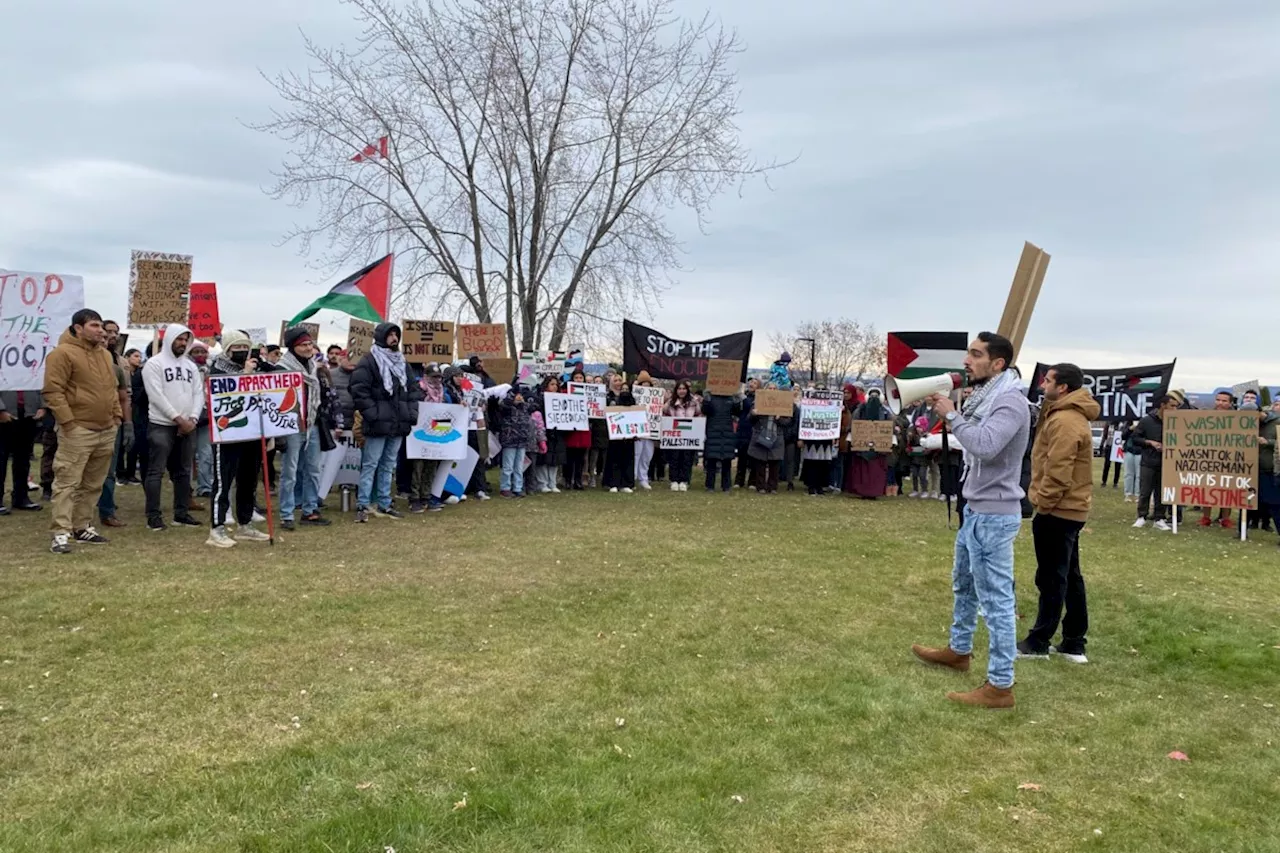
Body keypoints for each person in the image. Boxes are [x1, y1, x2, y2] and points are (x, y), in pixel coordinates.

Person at [911, 332, 1031, 709]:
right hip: (977, 509)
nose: (966, 361)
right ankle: (959, 650)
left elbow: (985, 445)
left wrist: (950, 414)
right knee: (963, 585)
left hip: (994, 515)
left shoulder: (1010, 401)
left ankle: (1000, 685)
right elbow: (974, 438)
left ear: (997, 364)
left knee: (996, 601)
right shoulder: (986, 398)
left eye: (976, 355)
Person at [1017, 364, 1100, 664]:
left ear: (1062, 387)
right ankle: (1074, 641)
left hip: (1059, 509)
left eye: (1048, 380)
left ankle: (1039, 640)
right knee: (1068, 574)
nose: (1042, 384)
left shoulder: (1065, 419)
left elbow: (1058, 469)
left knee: (1052, 577)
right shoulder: (1063, 414)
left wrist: (1043, 501)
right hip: (1068, 508)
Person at [41, 308, 123, 553]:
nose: (101, 331)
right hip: (77, 430)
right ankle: (60, 532)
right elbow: (53, 391)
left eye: (101, 327)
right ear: (78, 328)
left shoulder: (106, 356)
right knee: (67, 482)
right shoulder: (62, 354)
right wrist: (68, 423)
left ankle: (82, 526)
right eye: (95, 326)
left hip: (106, 428)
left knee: (93, 483)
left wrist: (116, 416)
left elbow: (112, 388)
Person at [204, 330, 273, 547]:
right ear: (227, 349)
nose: (242, 351)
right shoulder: (217, 369)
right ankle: (217, 528)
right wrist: (245, 373)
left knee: (248, 480)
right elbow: (228, 393)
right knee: (223, 482)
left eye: (245, 347)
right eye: (237, 348)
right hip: (227, 435)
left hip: (251, 434)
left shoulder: (255, 367)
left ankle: (245, 523)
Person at [350, 324, 420, 522]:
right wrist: (373, 414)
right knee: (371, 464)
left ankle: (384, 502)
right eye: (390, 334)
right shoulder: (369, 361)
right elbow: (358, 390)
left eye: (396, 334)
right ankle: (363, 504)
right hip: (378, 422)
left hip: (398, 422)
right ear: (381, 337)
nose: (394, 338)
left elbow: (413, 390)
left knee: (388, 465)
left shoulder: (402, 362)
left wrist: (411, 413)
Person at [141, 323, 205, 532]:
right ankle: (153, 516)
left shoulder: (190, 366)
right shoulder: (154, 364)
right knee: (156, 472)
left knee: (183, 472)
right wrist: (178, 418)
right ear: (169, 339)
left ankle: (181, 512)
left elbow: (198, 392)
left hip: (188, 426)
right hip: (162, 425)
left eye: (186, 339)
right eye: (179, 338)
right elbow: (156, 395)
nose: (182, 343)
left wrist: (193, 418)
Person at [274, 327, 331, 530]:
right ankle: (287, 514)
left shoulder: (314, 368)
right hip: (291, 425)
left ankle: (310, 510)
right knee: (290, 471)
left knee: (313, 470)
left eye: (310, 344)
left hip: (312, 423)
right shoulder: (282, 369)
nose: (309, 348)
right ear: (293, 347)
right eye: (304, 345)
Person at [93, 320, 134, 528]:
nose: (110, 337)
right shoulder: (80, 361)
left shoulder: (119, 366)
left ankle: (106, 511)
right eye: (106, 332)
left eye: (114, 333)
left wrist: (127, 424)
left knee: (108, 470)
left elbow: (124, 397)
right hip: (85, 423)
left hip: (112, 423)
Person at [1132, 394, 1178, 531]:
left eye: (1176, 406)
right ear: (1163, 405)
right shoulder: (1147, 421)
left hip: (1167, 462)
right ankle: (1141, 517)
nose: (1175, 409)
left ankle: (1159, 518)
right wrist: (1150, 442)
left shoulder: (1176, 421)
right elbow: (1135, 438)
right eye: (1172, 406)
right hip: (1149, 461)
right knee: (1145, 490)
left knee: (1162, 492)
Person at [0, 389, 46, 515]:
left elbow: (40, 383)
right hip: (3, 415)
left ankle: (21, 497)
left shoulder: (32, 368)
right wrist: (1, 410)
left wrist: (43, 406)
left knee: (23, 460)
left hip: (28, 415)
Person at [1199, 391, 1237, 529]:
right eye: (1218, 400)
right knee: (1207, 487)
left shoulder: (1237, 418)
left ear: (1230, 403)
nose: (1220, 403)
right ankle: (1206, 517)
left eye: (1224, 401)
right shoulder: (1206, 416)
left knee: (1227, 489)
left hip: (1229, 459)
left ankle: (1225, 518)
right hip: (1209, 457)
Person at [847, 388, 891, 499]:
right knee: (862, 471)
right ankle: (862, 491)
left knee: (875, 472)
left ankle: (874, 492)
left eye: (876, 396)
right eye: (872, 396)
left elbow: (889, 426)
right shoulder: (859, 410)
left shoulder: (885, 412)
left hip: (878, 448)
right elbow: (854, 424)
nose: (874, 399)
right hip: (862, 447)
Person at [747, 386, 790, 495]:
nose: (771, 390)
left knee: (774, 464)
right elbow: (749, 419)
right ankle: (760, 486)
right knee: (760, 462)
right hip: (761, 435)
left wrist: (779, 419)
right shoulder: (758, 402)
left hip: (777, 436)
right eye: (769, 388)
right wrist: (754, 414)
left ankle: (773, 487)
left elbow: (787, 422)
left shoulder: (782, 404)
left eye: (774, 388)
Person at [663, 380, 701, 491]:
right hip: (674, 435)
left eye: (684, 388)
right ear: (676, 390)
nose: (682, 391)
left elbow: (699, 415)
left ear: (687, 390)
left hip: (689, 436)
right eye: (679, 388)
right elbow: (663, 414)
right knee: (674, 458)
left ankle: (684, 480)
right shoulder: (670, 402)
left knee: (687, 458)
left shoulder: (694, 402)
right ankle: (674, 480)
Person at [700, 389, 739, 492]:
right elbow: (705, 411)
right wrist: (706, 400)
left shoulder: (730, 398)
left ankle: (726, 485)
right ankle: (710, 486)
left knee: (727, 461)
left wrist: (736, 400)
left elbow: (737, 412)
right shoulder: (711, 397)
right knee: (711, 460)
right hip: (713, 430)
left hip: (727, 431)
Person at [604, 374, 636, 493]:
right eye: (615, 381)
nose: (624, 391)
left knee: (627, 458)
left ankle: (626, 483)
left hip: (628, 436)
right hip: (615, 435)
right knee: (614, 458)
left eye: (626, 389)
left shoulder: (632, 400)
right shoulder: (609, 398)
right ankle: (613, 482)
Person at [498, 386, 532, 497]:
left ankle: (518, 487)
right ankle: (505, 487)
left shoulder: (525, 407)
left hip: (522, 439)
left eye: (520, 395)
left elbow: (536, 405)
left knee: (519, 466)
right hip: (510, 439)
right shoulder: (507, 407)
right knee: (508, 466)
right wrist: (512, 398)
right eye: (517, 394)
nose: (519, 397)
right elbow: (504, 404)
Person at [564, 368, 592, 490]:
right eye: (576, 378)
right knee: (569, 458)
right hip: (571, 430)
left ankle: (578, 480)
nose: (579, 380)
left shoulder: (589, 394)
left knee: (581, 458)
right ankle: (568, 480)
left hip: (583, 430)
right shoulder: (566, 392)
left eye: (581, 378)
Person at [1258, 399, 1280, 546]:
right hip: (1252, 469)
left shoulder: (1276, 423)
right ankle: (1242, 531)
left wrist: (1268, 442)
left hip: (1271, 469)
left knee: (1275, 504)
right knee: (1246, 501)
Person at [632, 371, 658, 490]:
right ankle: (633, 477)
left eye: (648, 385)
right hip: (638, 429)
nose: (646, 387)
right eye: (643, 384)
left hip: (651, 429)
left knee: (647, 455)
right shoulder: (635, 395)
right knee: (636, 454)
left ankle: (643, 478)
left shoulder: (655, 396)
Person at [734, 378, 759, 488]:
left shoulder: (759, 398)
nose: (751, 384)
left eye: (754, 383)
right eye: (751, 382)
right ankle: (739, 480)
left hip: (754, 429)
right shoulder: (743, 396)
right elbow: (736, 411)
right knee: (742, 456)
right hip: (743, 429)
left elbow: (750, 407)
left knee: (754, 457)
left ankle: (752, 481)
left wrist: (744, 399)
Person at [1120, 420, 1141, 502]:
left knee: (1139, 474)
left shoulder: (1144, 422)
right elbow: (1123, 436)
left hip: (1140, 450)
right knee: (1128, 474)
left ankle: (1137, 494)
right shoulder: (1127, 423)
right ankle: (1128, 494)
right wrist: (1130, 429)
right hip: (1129, 450)